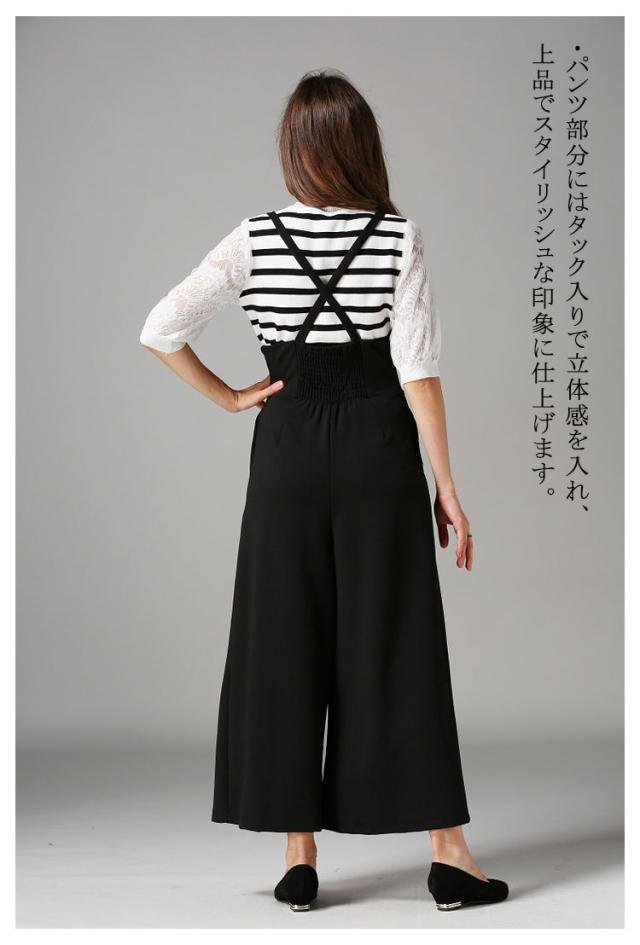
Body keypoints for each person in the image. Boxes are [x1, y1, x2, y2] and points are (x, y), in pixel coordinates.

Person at [140, 69, 508, 913]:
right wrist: (447, 484)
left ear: (297, 152)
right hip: (380, 449)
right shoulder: (398, 239)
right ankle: (448, 853)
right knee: (400, 639)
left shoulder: (255, 238)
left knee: (284, 638)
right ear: (362, 148)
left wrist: (232, 397)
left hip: (288, 451)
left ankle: (299, 856)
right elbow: (418, 369)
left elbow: (160, 327)